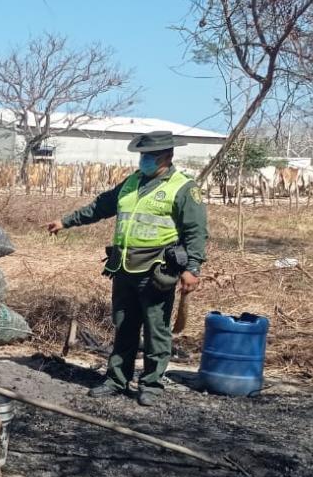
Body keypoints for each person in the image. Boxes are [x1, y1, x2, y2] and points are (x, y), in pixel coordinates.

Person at [46, 131, 207, 407]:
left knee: (156, 329)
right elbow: (100, 206)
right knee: (124, 325)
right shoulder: (131, 183)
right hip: (123, 267)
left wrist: (192, 268)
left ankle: (151, 384)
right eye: (142, 155)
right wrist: (66, 221)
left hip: (157, 269)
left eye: (150, 156)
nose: (144, 160)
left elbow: (196, 231)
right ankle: (117, 379)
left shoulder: (183, 188)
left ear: (167, 156)